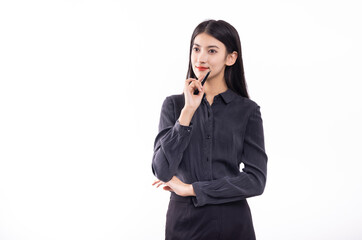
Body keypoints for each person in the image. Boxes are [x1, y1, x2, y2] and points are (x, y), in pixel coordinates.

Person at [151, 19, 268, 240]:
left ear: (230, 58)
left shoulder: (247, 111)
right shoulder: (174, 106)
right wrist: (187, 112)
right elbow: (162, 171)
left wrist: (193, 189)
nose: (201, 58)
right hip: (183, 223)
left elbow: (256, 180)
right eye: (196, 49)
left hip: (233, 223)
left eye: (212, 51)